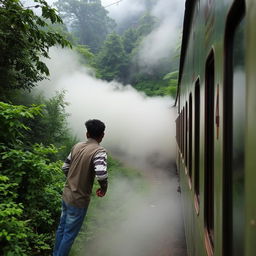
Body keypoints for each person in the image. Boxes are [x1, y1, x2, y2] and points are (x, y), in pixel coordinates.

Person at [53, 119, 108, 256]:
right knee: (69, 234)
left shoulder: (77, 146)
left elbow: (65, 167)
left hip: (66, 195)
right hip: (78, 200)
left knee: (61, 228)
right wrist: (104, 188)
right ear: (102, 135)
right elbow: (101, 175)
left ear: (87, 134)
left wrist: (73, 178)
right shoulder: (99, 151)